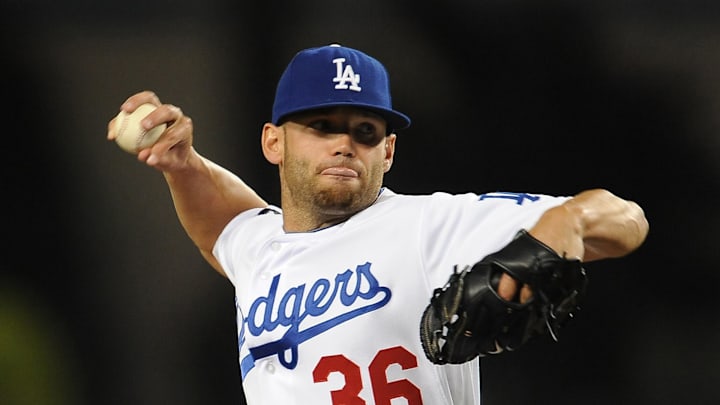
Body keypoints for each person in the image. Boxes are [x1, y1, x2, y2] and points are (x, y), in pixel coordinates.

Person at [107, 43, 649, 405]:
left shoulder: (429, 226)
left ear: (387, 151)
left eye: (365, 131)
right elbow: (221, 225)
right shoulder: (260, 249)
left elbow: (626, 220)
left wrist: (567, 221)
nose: (345, 143)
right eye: (322, 125)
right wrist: (183, 164)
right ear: (273, 141)